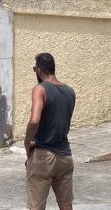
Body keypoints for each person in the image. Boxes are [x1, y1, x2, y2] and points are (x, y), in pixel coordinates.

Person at [24, 52, 76, 210]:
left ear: (39, 70)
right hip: (65, 156)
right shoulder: (70, 92)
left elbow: (34, 120)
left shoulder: (40, 89)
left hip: (43, 156)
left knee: (36, 206)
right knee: (66, 205)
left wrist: (27, 143)